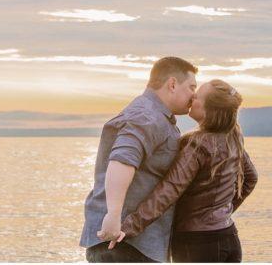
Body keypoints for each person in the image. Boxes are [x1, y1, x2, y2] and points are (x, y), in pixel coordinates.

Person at [117, 80, 258, 262]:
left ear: (209, 111)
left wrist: (129, 227)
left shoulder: (197, 145)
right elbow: (251, 178)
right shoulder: (233, 137)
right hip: (228, 237)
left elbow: (169, 190)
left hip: (198, 244)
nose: (192, 97)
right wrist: (224, 211)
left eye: (198, 96)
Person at [81, 57, 198, 262]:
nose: (194, 95)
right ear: (172, 84)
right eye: (191, 87)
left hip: (131, 244)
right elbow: (122, 160)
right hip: (123, 245)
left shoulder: (155, 117)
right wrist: (113, 215)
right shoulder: (147, 116)